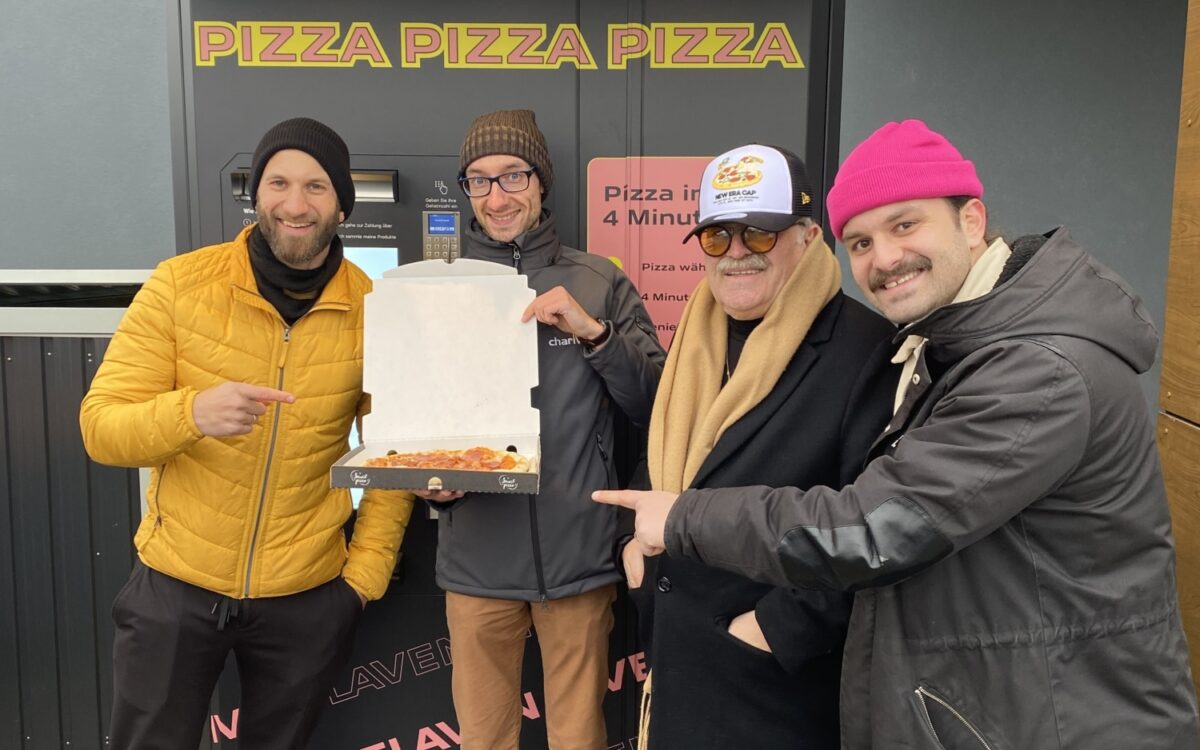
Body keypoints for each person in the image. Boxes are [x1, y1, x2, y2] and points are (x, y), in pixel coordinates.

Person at [596, 119, 1200, 748]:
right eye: (860, 241)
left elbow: (875, 527)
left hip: (1043, 713)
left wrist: (760, 616)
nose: (883, 257)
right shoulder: (946, 345)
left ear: (971, 220)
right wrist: (643, 555)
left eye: (904, 225)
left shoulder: (1027, 367)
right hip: (978, 698)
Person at [79, 117, 415, 749]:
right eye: (279, 183)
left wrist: (362, 578)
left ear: (342, 203)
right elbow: (101, 429)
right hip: (176, 586)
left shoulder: (375, 308)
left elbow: (393, 452)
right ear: (255, 193)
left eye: (316, 187)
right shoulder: (180, 286)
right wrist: (190, 414)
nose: (295, 204)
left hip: (308, 596)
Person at [617, 143, 896, 748]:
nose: (737, 253)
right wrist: (632, 548)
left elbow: (879, 525)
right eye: (718, 238)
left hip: (775, 691)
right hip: (677, 658)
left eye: (760, 235)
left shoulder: (866, 349)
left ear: (808, 235)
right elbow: (667, 454)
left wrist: (771, 629)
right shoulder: (695, 336)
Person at [418, 109, 665, 750]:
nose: (496, 196)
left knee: (577, 739)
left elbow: (653, 405)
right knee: (484, 740)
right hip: (475, 562)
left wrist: (595, 335)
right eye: (478, 180)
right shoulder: (438, 287)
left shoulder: (598, 281)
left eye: (512, 176)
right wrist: (427, 482)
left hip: (579, 558)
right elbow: (413, 415)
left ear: (541, 181)